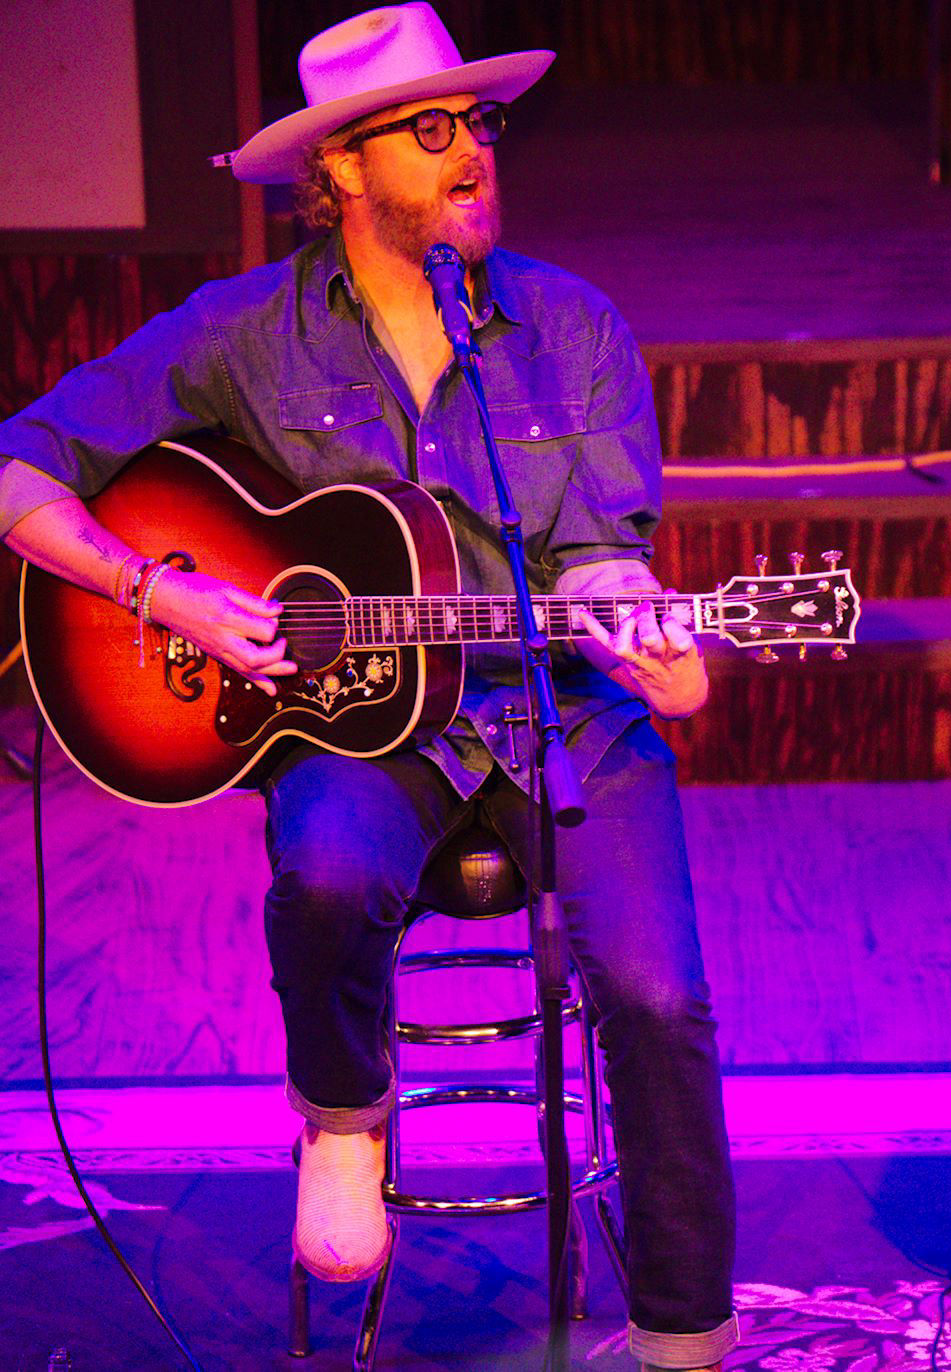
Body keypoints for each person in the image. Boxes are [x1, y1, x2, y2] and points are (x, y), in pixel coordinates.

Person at [0, 5, 735, 1366]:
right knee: (329, 874)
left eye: (480, 124)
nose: (472, 154)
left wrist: (632, 617)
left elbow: (600, 557)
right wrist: (167, 595)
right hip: (354, 725)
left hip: (558, 709)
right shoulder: (242, 336)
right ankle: (342, 1120)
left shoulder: (572, 326)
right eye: (430, 129)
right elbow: (20, 464)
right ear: (339, 168)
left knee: (653, 993)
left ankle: (685, 1336)